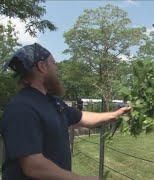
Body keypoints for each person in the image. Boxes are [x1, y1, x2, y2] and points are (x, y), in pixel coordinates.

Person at [0, 43, 131, 180]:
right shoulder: (21, 108)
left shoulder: (53, 102)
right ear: (42, 66)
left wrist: (115, 114)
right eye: (53, 63)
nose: (56, 68)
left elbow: (82, 117)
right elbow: (33, 166)